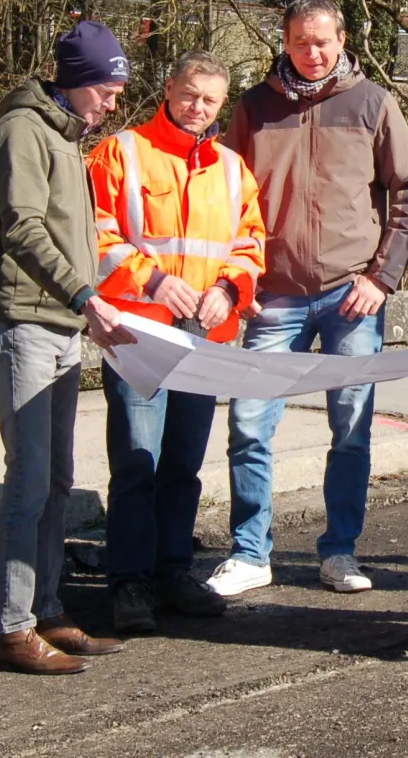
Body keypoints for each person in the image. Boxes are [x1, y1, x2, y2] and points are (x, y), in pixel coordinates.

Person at [208, 0, 408, 597]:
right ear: (284, 41)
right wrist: (237, 279)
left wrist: (382, 277)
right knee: (249, 425)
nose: (312, 53)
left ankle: (339, 552)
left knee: (351, 430)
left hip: (351, 294)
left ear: (342, 39)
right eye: (300, 42)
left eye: (322, 42)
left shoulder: (372, 102)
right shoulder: (254, 108)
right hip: (273, 295)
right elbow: (227, 199)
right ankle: (250, 553)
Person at [86, 50, 266, 635]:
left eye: (210, 100)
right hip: (138, 335)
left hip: (203, 337)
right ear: (168, 88)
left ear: (223, 103)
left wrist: (231, 291)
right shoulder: (121, 152)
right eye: (189, 94)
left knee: (184, 465)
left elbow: (250, 244)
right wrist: (154, 281)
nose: (198, 108)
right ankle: (129, 582)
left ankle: (172, 572)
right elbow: (95, 236)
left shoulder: (233, 168)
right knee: (137, 463)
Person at [0, 20, 138, 675]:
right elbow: (22, 228)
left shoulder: (66, 135)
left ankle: (45, 611)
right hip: (30, 321)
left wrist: (85, 302)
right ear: (74, 80)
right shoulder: (23, 131)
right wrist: (83, 296)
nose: (111, 104)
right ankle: (12, 629)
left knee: (57, 480)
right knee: (29, 478)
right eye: (105, 90)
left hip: (63, 324)